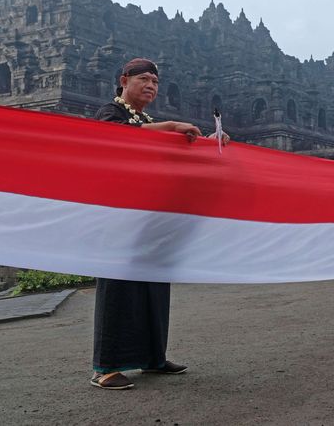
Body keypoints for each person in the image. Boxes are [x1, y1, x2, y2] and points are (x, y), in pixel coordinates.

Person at [90, 58, 229, 390]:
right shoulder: (110, 113)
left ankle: (153, 357)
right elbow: (118, 138)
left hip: (151, 216)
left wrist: (210, 143)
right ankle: (105, 366)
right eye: (144, 79)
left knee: (154, 286)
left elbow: (176, 159)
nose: (151, 85)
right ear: (124, 80)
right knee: (118, 288)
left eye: (155, 81)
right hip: (119, 214)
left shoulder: (149, 120)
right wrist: (171, 127)